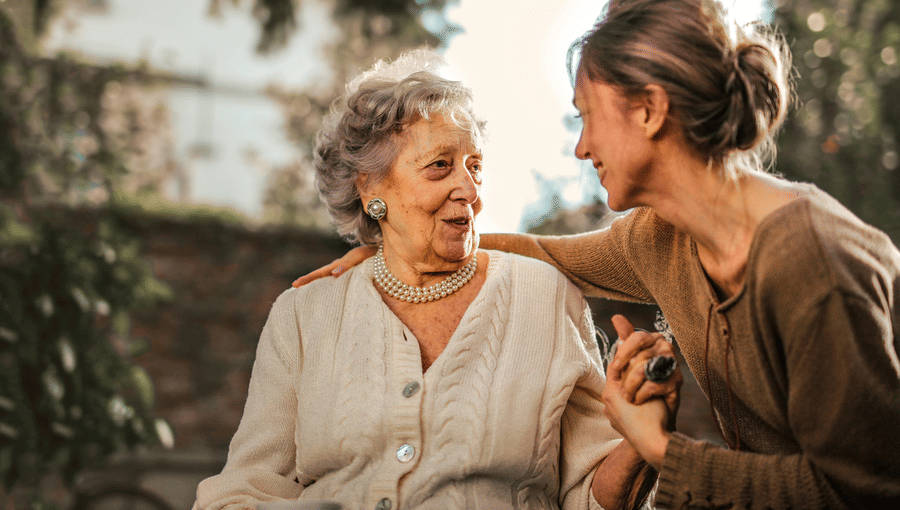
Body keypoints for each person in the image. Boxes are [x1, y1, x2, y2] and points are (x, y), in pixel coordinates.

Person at [295, 1, 900, 508]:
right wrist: (396, 250)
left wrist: (663, 450)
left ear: (650, 109)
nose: (581, 147)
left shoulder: (811, 263)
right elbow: (543, 253)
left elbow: (865, 489)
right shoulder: (660, 238)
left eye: (587, 117)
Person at [195, 49, 680, 510]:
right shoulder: (303, 315)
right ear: (370, 187)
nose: (468, 190)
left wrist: (640, 441)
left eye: (475, 168)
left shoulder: (545, 297)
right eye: (440, 167)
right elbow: (245, 490)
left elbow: (591, 497)